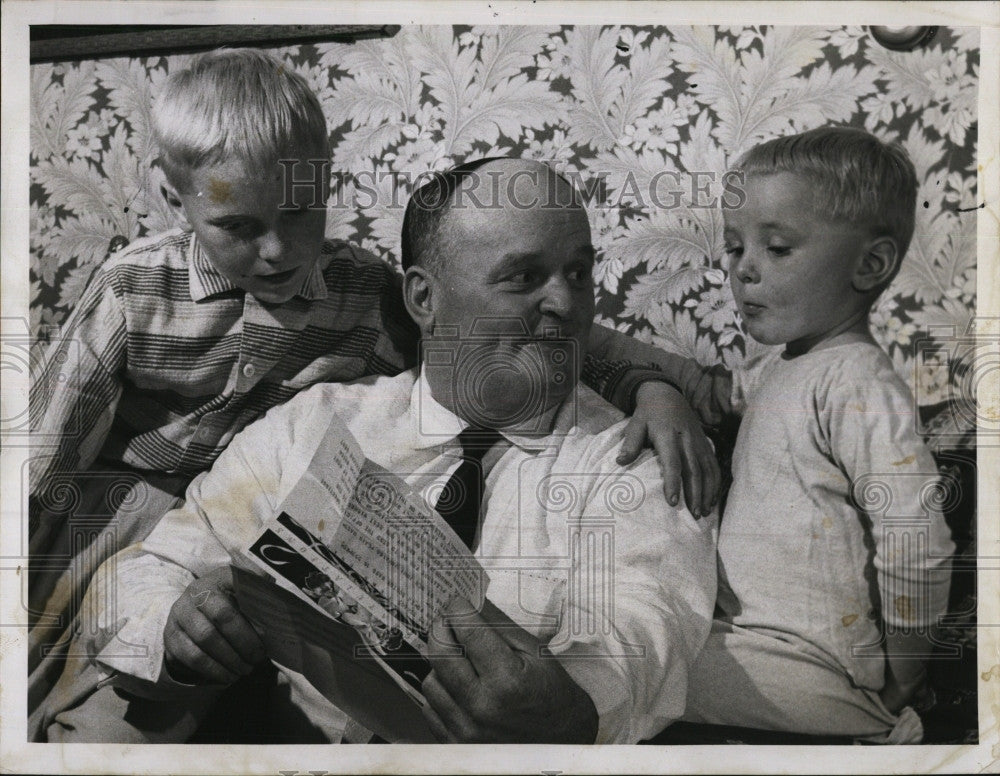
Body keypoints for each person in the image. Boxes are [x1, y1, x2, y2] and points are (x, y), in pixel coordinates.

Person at [27, 49, 726, 730]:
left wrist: (579, 708)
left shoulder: (634, 455)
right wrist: (176, 631)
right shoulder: (315, 421)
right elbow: (153, 554)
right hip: (95, 507)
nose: (567, 304)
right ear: (424, 299)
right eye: (522, 278)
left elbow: (646, 624)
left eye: (579, 273)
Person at [680, 127, 954, 742]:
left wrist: (904, 677)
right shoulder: (781, 363)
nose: (743, 269)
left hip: (812, 665)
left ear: (870, 264)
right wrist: (594, 349)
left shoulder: (856, 380)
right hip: (755, 641)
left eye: (776, 248)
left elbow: (915, 535)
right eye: (733, 247)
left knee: (618, 670)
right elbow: (706, 394)